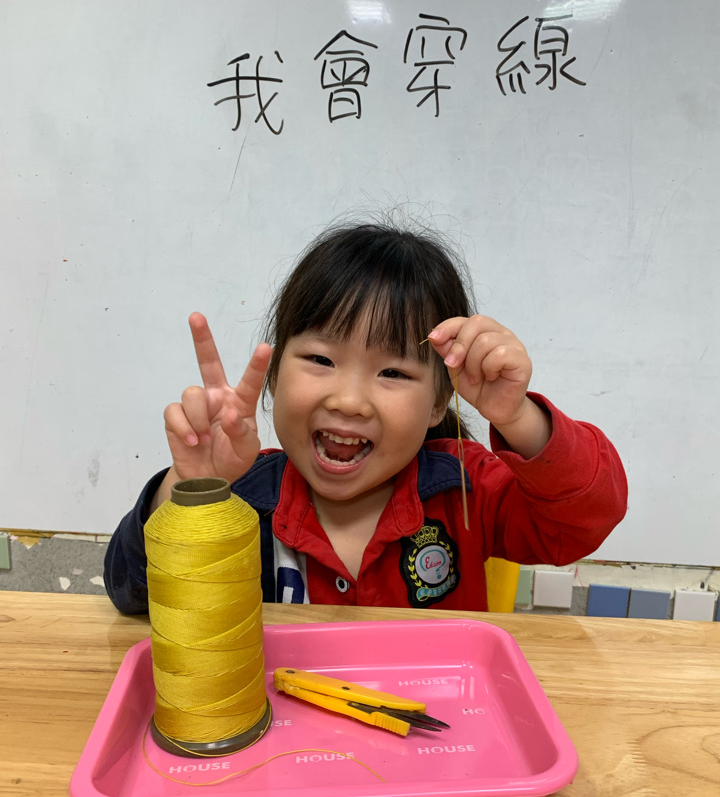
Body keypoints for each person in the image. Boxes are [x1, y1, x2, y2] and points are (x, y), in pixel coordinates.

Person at [105, 220, 627, 614]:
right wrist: (191, 489)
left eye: (393, 372)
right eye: (321, 360)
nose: (350, 400)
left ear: (439, 402)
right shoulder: (239, 495)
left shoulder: (466, 489)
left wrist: (519, 417)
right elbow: (133, 595)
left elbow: (584, 520)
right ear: (274, 376)